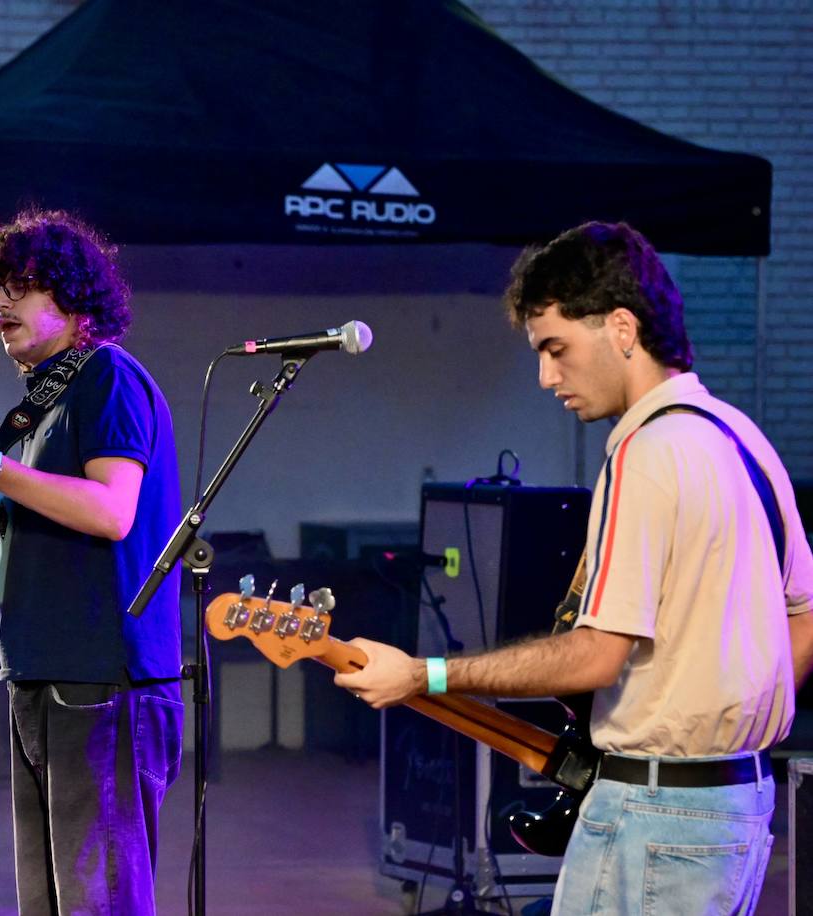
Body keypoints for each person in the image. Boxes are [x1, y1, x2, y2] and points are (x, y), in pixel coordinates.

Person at [336, 222, 813, 914]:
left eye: (556, 349)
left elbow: (595, 657)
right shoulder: (745, 440)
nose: (545, 377)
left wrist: (423, 674)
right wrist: (736, 708)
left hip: (657, 816)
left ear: (622, 327)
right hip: (738, 806)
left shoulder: (644, 452)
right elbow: (803, 610)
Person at [0, 209, 184, 915]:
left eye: (20, 285)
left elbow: (110, 511)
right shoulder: (42, 402)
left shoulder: (107, 378)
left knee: (100, 903)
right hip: (44, 670)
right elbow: (55, 518)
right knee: (50, 901)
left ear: (72, 295)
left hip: (101, 677)